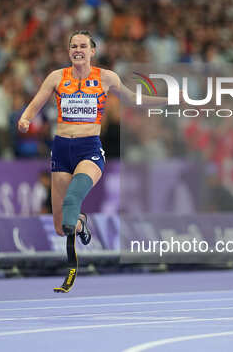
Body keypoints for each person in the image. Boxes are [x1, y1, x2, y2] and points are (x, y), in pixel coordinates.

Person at [18, 30, 166, 291]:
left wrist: (168, 100)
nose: (78, 49)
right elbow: (36, 103)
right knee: (61, 226)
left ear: (92, 51)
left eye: (83, 46)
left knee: (73, 198)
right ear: (69, 51)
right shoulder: (56, 77)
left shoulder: (106, 77)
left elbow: (133, 99)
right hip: (61, 150)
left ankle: (72, 272)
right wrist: (25, 118)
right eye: (73, 45)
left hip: (89, 151)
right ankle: (82, 221)